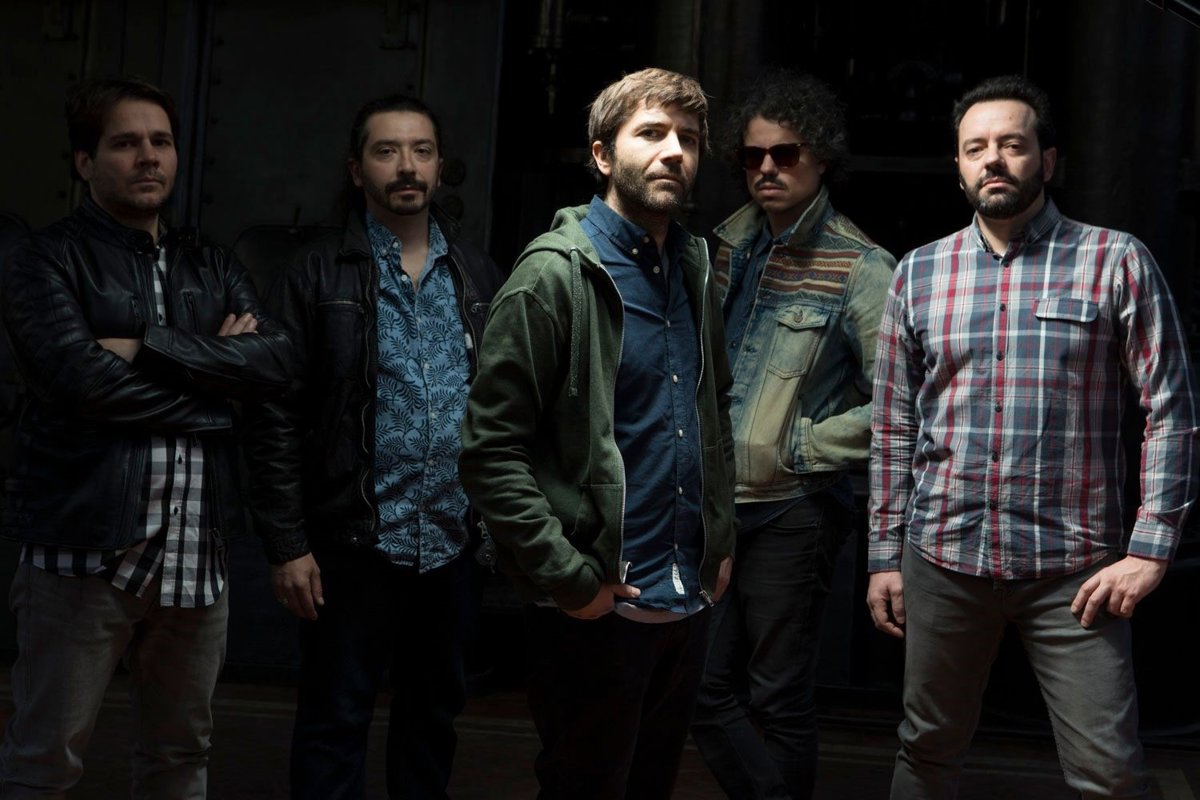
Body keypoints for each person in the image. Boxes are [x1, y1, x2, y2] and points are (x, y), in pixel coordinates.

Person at [867, 74, 1199, 799]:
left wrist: (1150, 548)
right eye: (975, 148)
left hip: (1074, 571)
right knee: (926, 751)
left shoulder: (1115, 260)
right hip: (943, 558)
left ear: (1046, 160)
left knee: (1109, 774)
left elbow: (1171, 410)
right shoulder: (919, 272)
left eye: (1012, 144)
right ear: (959, 168)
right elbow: (893, 427)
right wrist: (884, 556)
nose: (993, 159)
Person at [0, 77, 291, 798]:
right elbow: (81, 382)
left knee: (180, 757)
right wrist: (217, 389)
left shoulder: (211, 263)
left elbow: (274, 364)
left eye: (160, 141)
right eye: (125, 143)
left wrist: (144, 346)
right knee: (45, 761)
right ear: (84, 162)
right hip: (82, 554)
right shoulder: (45, 259)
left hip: (196, 556)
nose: (148, 157)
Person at [458, 67, 736, 800]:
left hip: (685, 598)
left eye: (688, 139)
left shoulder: (694, 265)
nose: (674, 151)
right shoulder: (552, 276)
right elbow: (490, 452)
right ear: (603, 155)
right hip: (595, 606)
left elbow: (713, 411)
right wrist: (567, 579)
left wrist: (720, 537)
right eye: (652, 133)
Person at [242, 94, 503, 800]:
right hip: (352, 543)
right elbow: (274, 415)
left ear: (439, 166)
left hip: (451, 542)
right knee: (335, 721)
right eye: (387, 151)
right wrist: (288, 544)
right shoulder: (315, 272)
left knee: (432, 722)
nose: (406, 166)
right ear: (357, 170)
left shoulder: (478, 273)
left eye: (421, 150)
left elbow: (505, 410)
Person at [690, 70, 894, 800]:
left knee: (777, 696)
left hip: (793, 511)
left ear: (822, 157)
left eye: (786, 153)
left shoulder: (862, 266)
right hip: (712, 506)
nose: (768, 169)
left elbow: (902, 404)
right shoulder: (720, 248)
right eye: (753, 156)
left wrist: (801, 446)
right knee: (700, 687)